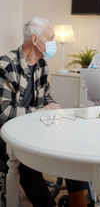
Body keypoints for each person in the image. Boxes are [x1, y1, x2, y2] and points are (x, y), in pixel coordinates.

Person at [0, 17, 88, 207]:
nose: (53, 43)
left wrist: (56, 108)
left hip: (34, 129)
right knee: (26, 160)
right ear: (34, 39)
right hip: (7, 136)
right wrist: (41, 110)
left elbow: (47, 97)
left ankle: (78, 202)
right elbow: (4, 113)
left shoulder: (42, 66)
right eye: (51, 38)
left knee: (71, 145)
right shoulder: (6, 66)